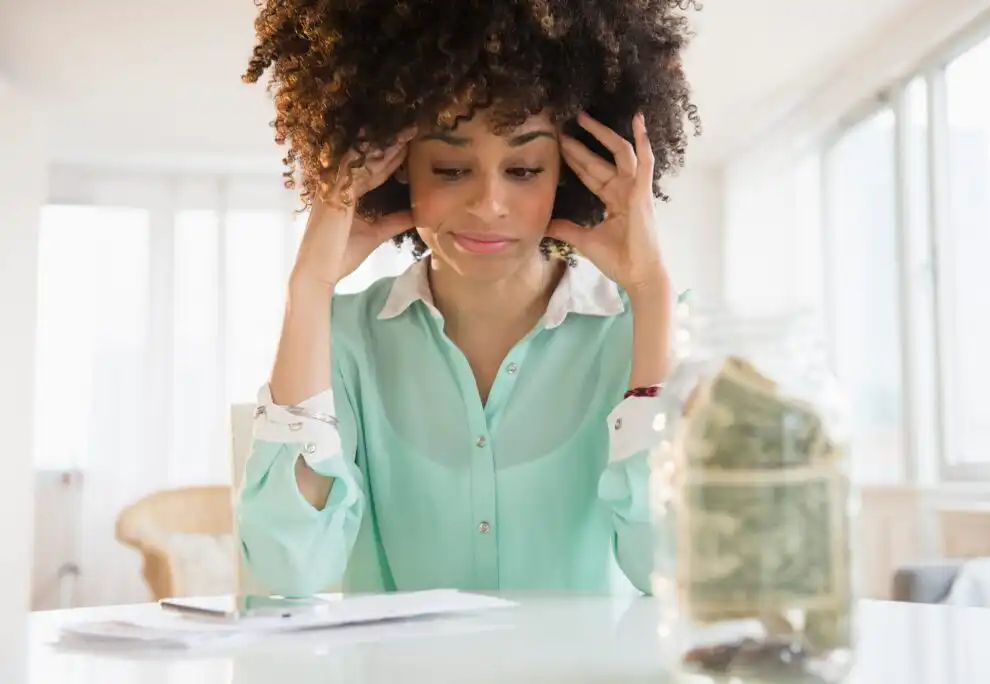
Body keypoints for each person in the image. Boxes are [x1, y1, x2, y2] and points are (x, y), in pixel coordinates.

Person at [236, 0, 700, 597]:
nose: (488, 204)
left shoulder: (646, 332)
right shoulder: (344, 337)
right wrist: (309, 287)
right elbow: (288, 573)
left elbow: (674, 571)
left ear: (570, 173)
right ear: (397, 167)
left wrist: (651, 290)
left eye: (525, 168)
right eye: (452, 168)